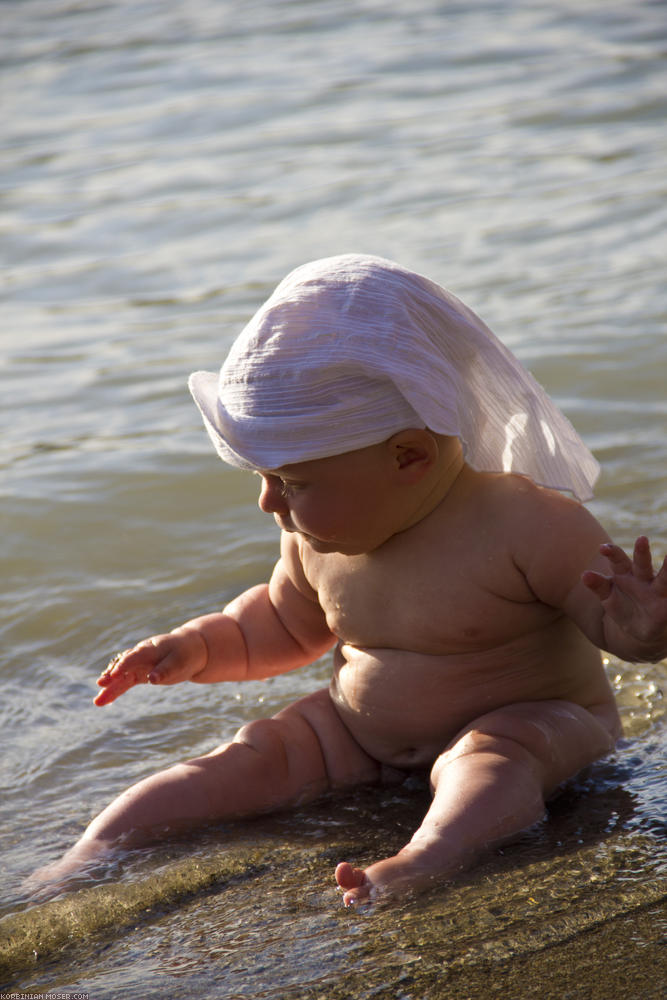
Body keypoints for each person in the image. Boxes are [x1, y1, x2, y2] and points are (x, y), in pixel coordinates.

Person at [31, 255, 667, 905]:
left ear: (409, 456)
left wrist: (642, 626)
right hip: (357, 736)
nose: (268, 502)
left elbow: (615, 630)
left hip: (536, 724)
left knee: (488, 761)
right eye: (265, 478)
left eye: (292, 482)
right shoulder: (316, 536)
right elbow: (278, 625)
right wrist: (194, 646)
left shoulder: (527, 522)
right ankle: (92, 854)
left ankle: (428, 858)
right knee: (250, 755)